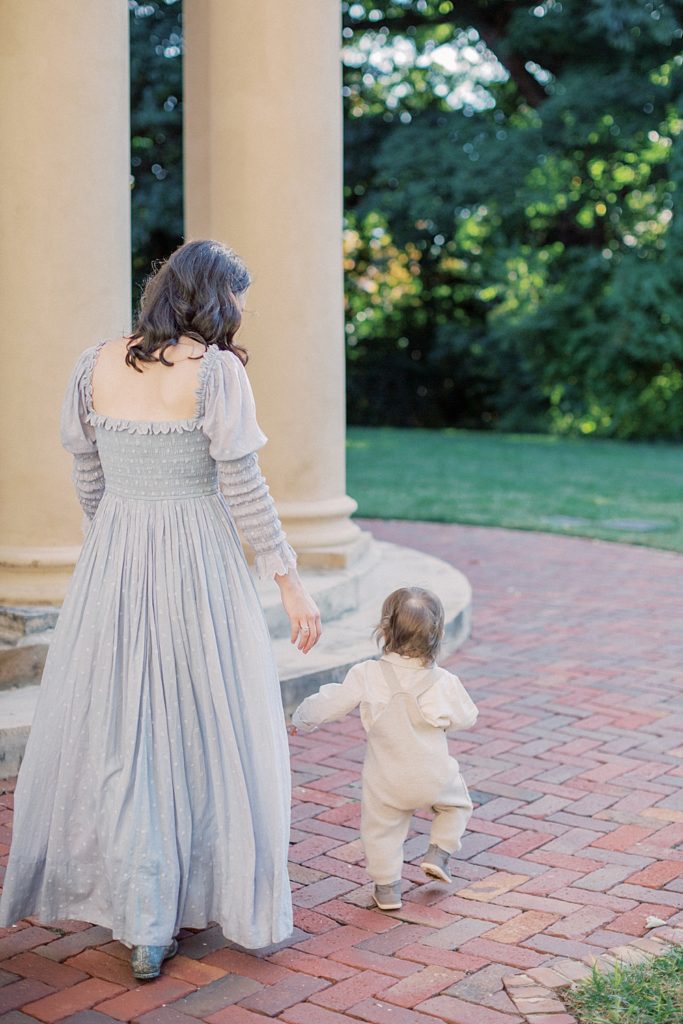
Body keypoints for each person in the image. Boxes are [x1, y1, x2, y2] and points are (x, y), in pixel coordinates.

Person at [0, 240, 322, 980]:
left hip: (113, 555)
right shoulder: (216, 376)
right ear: (213, 298)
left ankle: (141, 916)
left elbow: (88, 476)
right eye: (236, 296)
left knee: (124, 727)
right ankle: (178, 901)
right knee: (201, 718)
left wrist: (112, 544)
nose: (241, 310)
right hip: (196, 559)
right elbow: (241, 485)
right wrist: (287, 579)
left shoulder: (94, 363)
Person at [291, 586, 476, 911]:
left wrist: (302, 717)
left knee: (381, 831)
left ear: (385, 630)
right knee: (456, 806)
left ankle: (388, 888)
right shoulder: (443, 682)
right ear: (438, 635)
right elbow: (467, 717)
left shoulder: (367, 674)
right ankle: (439, 853)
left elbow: (330, 703)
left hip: (385, 780)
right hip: (433, 777)